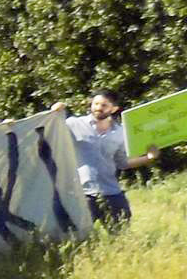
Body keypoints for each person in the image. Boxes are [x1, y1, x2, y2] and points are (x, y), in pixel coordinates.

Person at [55, 88, 156, 225]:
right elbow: (51, 131)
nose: (98, 108)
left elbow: (122, 163)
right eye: (96, 104)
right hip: (81, 194)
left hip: (111, 192)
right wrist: (55, 112)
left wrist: (148, 158)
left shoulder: (120, 132)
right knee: (79, 235)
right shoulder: (74, 124)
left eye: (104, 105)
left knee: (122, 230)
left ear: (114, 109)